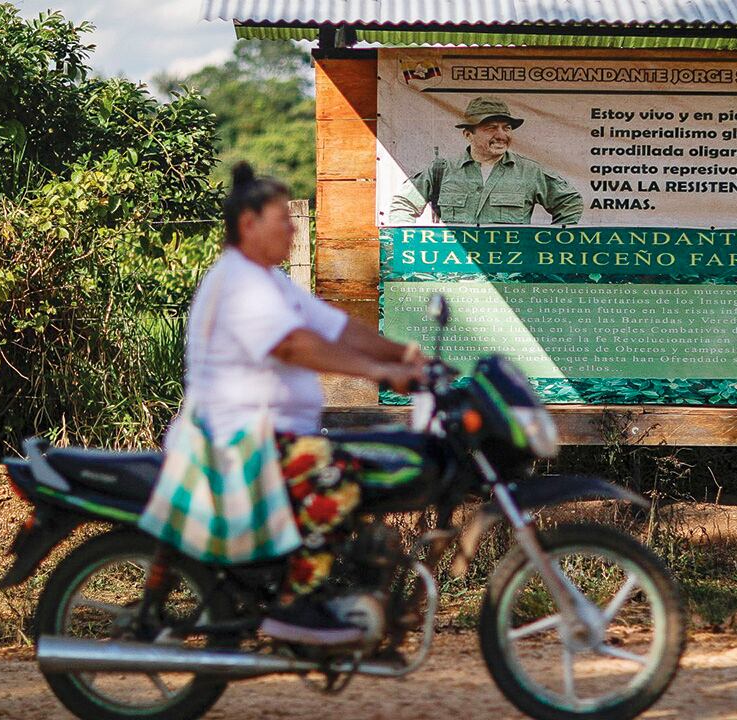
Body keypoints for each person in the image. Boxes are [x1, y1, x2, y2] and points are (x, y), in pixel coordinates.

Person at [185, 162, 426, 643]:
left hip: (268, 436)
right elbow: (295, 345)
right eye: (283, 219)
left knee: (364, 463)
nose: (294, 228)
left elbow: (337, 327)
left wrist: (411, 355)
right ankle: (296, 606)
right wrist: (381, 372)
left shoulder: (271, 282)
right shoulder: (240, 281)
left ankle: (329, 588)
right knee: (336, 474)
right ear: (249, 224)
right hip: (237, 440)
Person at [388, 96, 584, 225]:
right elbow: (403, 205)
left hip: (511, 274)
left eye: (506, 128)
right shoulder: (441, 170)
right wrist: (411, 245)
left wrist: (551, 244)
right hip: (453, 272)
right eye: (491, 128)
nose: (501, 135)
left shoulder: (530, 172)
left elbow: (570, 202)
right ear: (468, 134)